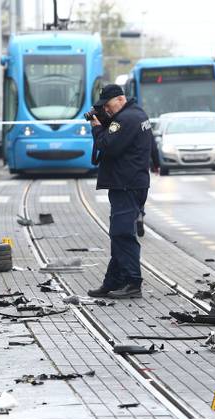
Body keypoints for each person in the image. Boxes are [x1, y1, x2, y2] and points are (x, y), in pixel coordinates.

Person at [86, 84, 156, 300]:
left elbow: (107, 145)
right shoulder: (137, 114)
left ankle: (133, 282)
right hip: (132, 182)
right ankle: (113, 280)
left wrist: (96, 126)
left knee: (122, 234)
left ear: (119, 100)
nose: (106, 110)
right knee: (119, 234)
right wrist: (104, 121)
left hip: (126, 183)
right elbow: (120, 135)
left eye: (107, 106)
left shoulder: (124, 120)